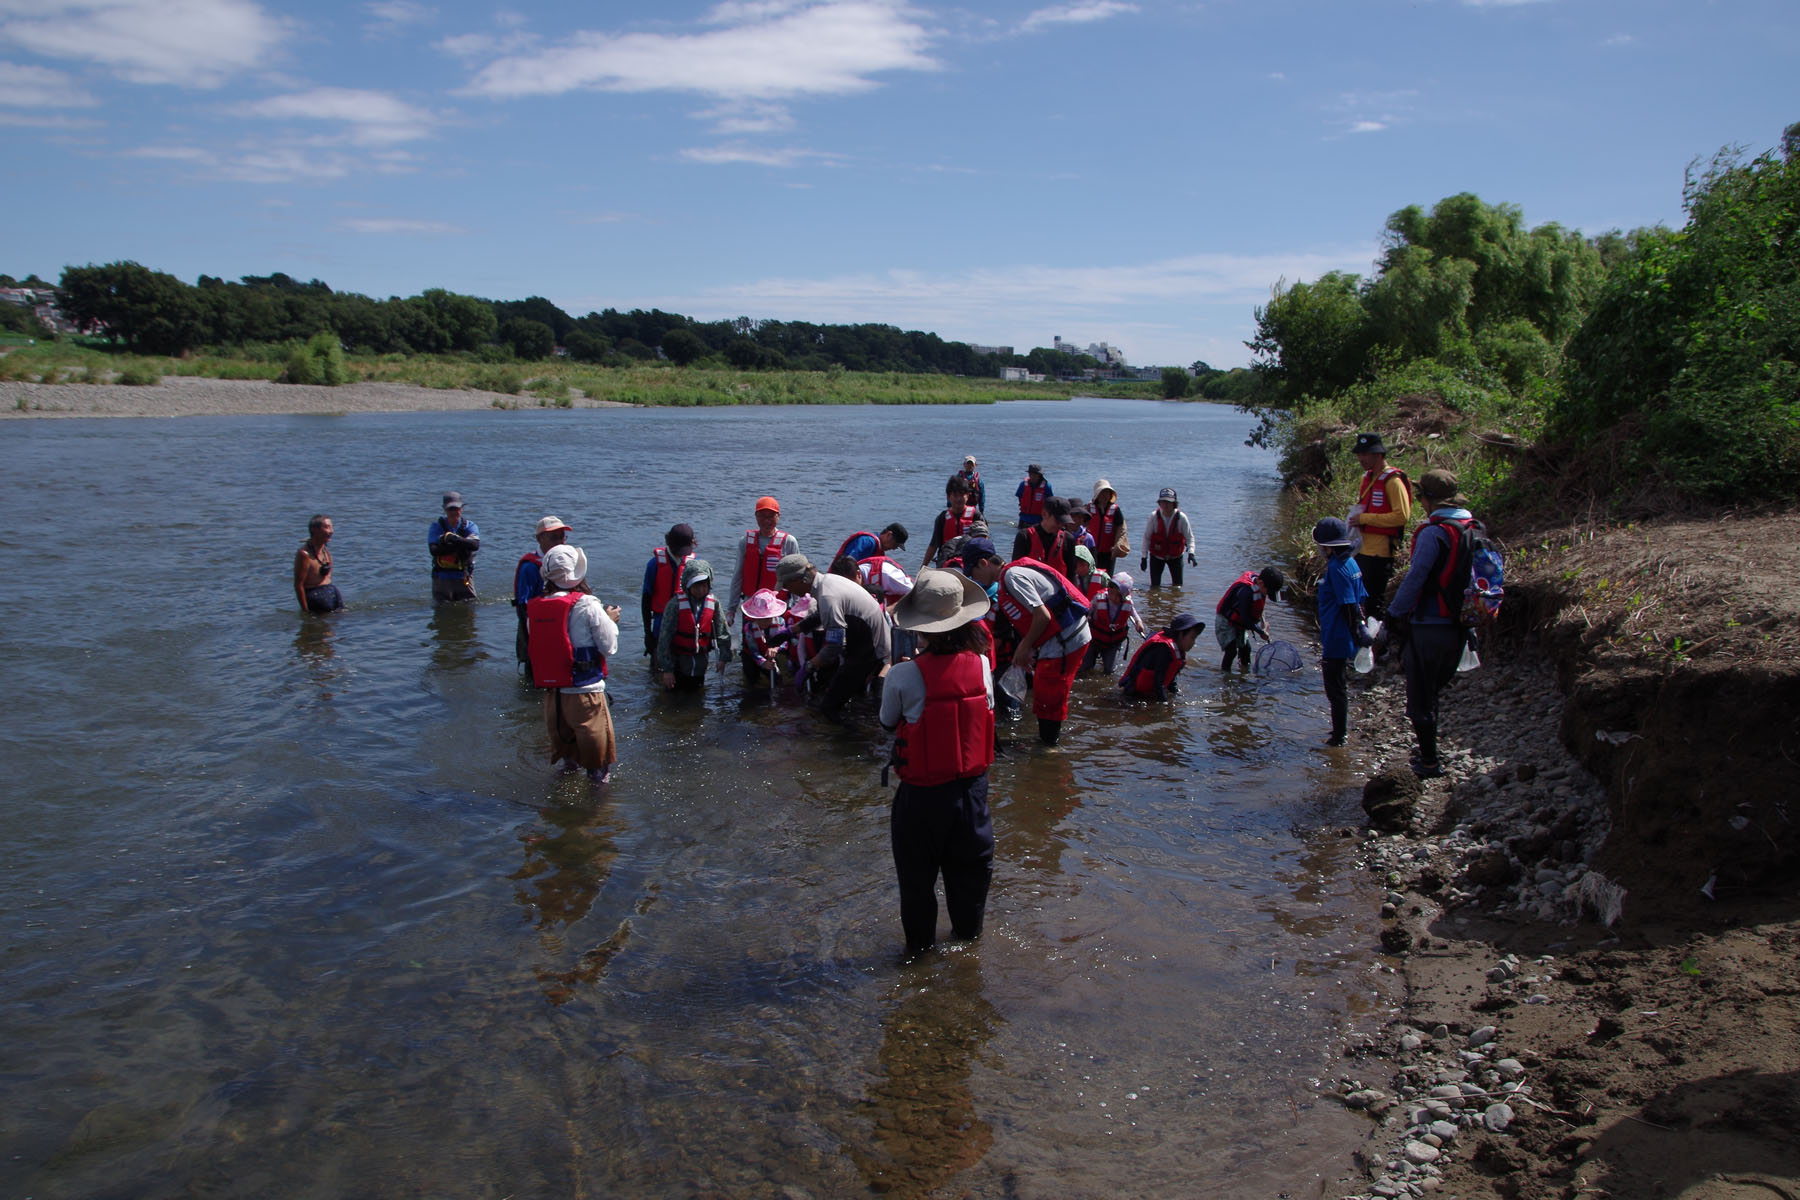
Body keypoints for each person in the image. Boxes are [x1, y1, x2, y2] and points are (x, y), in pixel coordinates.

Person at [879, 568, 996, 956]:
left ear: (920, 627)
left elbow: (887, 722)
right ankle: (967, 963)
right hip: (972, 798)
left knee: (917, 887)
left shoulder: (902, 674)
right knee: (970, 885)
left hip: (922, 800)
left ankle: (919, 966)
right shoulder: (982, 666)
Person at [1387, 469, 1479, 777]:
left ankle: (1428, 762)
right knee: (1433, 692)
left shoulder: (1434, 533)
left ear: (1427, 498)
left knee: (1420, 697)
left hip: (1430, 624)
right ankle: (1429, 752)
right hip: (1461, 626)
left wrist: (1393, 615)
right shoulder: (1473, 529)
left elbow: (1416, 578)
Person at [527, 544, 621, 783]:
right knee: (598, 772)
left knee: (569, 766)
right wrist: (609, 620)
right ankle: (598, 816)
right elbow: (609, 647)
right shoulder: (588, 604)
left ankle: (561, 813)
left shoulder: (537, 607)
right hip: (585, 698)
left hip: (553, 700)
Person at [777, 553, 892, 723]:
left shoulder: (827, 595)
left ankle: (851, 743)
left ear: (798, 580)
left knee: (829, 707)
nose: (788, 591)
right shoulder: (827, 580)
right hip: (865, 641)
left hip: (870, 650)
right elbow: (821, 615)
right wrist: (792, 630)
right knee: (845, 696)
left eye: (787, 586)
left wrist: (808, 667)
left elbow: (834, 646)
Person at [994, 553, 1091, 745]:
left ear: (984, 563)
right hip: (1068, 635)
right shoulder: (1012, 575)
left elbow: (1043, 616)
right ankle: (1047, 748)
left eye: (973, 571)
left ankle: (1049, 747)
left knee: (1050, 697)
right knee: (1046, 693)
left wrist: (1025, 646)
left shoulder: (1011, 577)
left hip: (1066, 639)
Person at [1312, 516, 1372, 747]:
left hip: (1337, 637)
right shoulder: (1351, 563)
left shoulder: (1337, 568)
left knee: (1335, 688)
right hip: (1342, 635)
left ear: (1327, 546)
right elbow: (1361, 600)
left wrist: (1356, 631)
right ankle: (1340, 732)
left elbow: (1348, 605)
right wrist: (1361, 627)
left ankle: (1338, 737)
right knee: (1339, 686)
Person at [1348, 432, 1412, 617]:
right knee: (1358, 597)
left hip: (1380, 552)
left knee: (1373, 599)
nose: (1361, 458)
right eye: (1359, 454)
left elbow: (1402, 516)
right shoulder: (1367, 478)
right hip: (1362, 548)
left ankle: (1373, 639)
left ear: (1378, 455)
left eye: (1365, 454)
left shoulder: (1393, 481)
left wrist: (1365, 519)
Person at [656, 558, 729, 692]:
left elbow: (722, 631)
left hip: (700, 662)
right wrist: (667, 670)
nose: (700, 590)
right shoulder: (675, 605)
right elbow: (665, 637)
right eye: (696, 585)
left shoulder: (714, 603)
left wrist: (723, 658)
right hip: (678, 661)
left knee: (697, 694)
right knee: (674, 697)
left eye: (704, 585)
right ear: (687, 585)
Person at [725, 497, 798, 628]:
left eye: (771, 516)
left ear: (778, 516)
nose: (766, 520)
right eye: (762, 516)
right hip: (751, 607)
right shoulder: (745, 541)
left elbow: (796, 577)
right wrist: (731, 609)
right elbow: (738, 575)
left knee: (778, 643)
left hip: (778, 607)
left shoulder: (789, 542)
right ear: (756, 517)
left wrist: (797, 609)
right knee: (750, 643)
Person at [513, 515, 571, 670]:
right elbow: (525, 606)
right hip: (538, 629)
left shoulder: (566, 560)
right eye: (554, 537)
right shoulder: (530, 567)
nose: (560, 542)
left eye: (562, 537)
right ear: (540, 539)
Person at [1119, 613, 1205, 701]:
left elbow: (1170, 679)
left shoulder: (1176, 650)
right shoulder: (1164, 650)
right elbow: (1158, 682)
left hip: (1149, 692)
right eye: (1192, 638)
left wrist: (1175, 694)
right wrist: (1164, 705)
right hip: (1134, 694)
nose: (1194, 643)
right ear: (1181, 634)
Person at [1214, 566, 1286, 671]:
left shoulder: (1261, 587)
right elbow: (1245, 619)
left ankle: (1244, 674)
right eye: (1268, 591)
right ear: (1261, 583)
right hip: (1226, 621)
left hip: (1240, 623)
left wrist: (1263, 622)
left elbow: (1259, 607)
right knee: (1231, 651)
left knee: (1246, 649)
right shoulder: (1246, 591)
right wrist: (1260, 632)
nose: (1268, 595)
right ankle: (1226, 677)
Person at [640, 523, 697, 654]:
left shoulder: (695, 564)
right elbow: (646, 600)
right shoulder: (654, 565)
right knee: (658, 667)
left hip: (686, 626)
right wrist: (647, 633)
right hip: (660, 626)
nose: (680, 555)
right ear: (669, 543)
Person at [1082, 570, 1146, 675]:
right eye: (1111, 593)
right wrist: (1086, 619)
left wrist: (1138, 622)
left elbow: (1133, 613)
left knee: (1109, 670)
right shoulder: (1099, 598)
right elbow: (1088, 610)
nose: (1113, 597)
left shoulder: (1128, 603)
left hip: (1113, 643)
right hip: (1095, 639)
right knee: (1086, 667)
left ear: (1124, 596)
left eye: (1117, 595)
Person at [919, 476, 982, 571]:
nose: (958, 499)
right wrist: (923, 568)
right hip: (946, 561)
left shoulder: (976, 516)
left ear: (968, 495)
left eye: (962, 495)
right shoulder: (942, 518)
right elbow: (933, 545)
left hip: (969, 563)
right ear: (948, 497)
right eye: (955, 495)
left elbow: (984, 541)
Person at [428, 491, 480, 603]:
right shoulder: (436, 527)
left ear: (461, 509)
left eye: (456, 509)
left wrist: (452, 539)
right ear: (444, 510)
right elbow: (434, 551)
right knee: (442, 609)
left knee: (470, 607)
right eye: (450, 509)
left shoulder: (470, 526)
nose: (453, 512)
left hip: (463, 576)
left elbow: (475, 545)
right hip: (441, 578)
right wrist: (461, 544)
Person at [1011, 496, 1079, 580]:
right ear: (1044, 514)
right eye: (1058, 521)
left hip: (1058, 591)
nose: (1061, 525)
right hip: (1030, 590)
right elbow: (1015, 571)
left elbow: (1071, 575)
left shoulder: (1068, 540)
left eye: (1063, 522)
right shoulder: (1025, 536)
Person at [1140, 487, 1195, 589]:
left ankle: (1175, 604)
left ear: (1174, 503)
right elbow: (1146, 538)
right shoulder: (1153, 517)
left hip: (1175, 557)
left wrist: (1191, 553)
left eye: (1169, 502)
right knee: (1154, 587)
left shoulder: (1181, 518)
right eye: (1163, 502)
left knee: (1177, 587)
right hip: (1157, 556)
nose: (1166, 505)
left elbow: (1189, 537)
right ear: (1159, 503)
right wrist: (1144, 557)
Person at [739, 588, 790, 687]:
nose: (764, 622)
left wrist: (776, 649)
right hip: (752, 656)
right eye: (761, 619)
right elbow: (753, 651)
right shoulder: (748, 628)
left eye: (767, 618)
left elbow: (786, 643)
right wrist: (763, 663)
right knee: (751, 679)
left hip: (772, 654)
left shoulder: (780, 623)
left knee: (778, 680)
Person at [294, 514, 342, 613]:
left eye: (331, 527)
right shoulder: (304, 555)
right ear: (315, 530)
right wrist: (305, 611)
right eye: (327, 527)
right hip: (315, 596)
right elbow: (298, 585)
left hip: (331, 593)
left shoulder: (325, 550)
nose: (331, 531)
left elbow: (328, 575)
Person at [1086, 480, 1127, 572]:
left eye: (1107, 493)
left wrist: (1117, 545)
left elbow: (1121, 530)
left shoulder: (1115, 510)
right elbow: (1082, 526)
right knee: (1091, 575)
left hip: (1108, 552)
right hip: (1090, 551)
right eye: (1102, 493)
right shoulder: (1088, 508)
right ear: (1097, 495)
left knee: (1107, 577)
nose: (1105, 496)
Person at [835, 522, 908, 566]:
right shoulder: (868, 542)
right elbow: (848, 563)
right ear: (888, 535)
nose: (894, 548)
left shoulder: (878, 550)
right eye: (896, 545)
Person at [1015, 463, 1052, 527]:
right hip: (1024, 519)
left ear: (1039, 475)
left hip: (1039, 520)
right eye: (1030, 474)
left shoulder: (1046, 486)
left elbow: (1050, 501)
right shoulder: (1023, 485)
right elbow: (1019, 496)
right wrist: (1023, 506)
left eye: (1035, 474)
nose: (1032, 476)